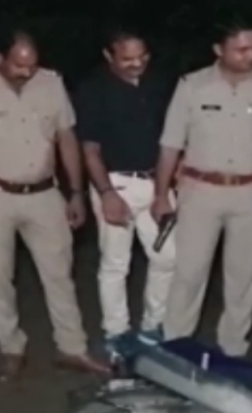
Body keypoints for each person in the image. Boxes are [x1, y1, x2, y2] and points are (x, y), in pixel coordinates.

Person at [0, 28, 110, 383]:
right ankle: (11, 347)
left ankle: (72, 347)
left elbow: (66, 138)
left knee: (59, 272)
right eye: (18, 65)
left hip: (44, 193)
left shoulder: (52, 84)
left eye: (32, 65)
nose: (27, 71)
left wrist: (76, 192)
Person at [151, 17, 252, 357]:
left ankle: (233, 350)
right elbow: (170, 144)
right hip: (200, 190)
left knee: (243, 276)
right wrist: (161, 195)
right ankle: (176, 347)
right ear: (218, 49)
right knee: (189, 273)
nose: (251, 56)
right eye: (241, 49)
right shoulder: (192, 86)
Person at [73, 27, 176, 357]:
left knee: (169, 257)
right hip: (116, 182)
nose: (137, 64)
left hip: (157, 182)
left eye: (142, 57)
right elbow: (89, 149)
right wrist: (106, 193)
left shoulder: (159, 83)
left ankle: (153, 325)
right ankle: (116, 331)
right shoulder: (93, 89)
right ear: (109, 55)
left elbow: (171, 138)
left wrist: (168, 185)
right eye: (127, 59)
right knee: (116, 263)